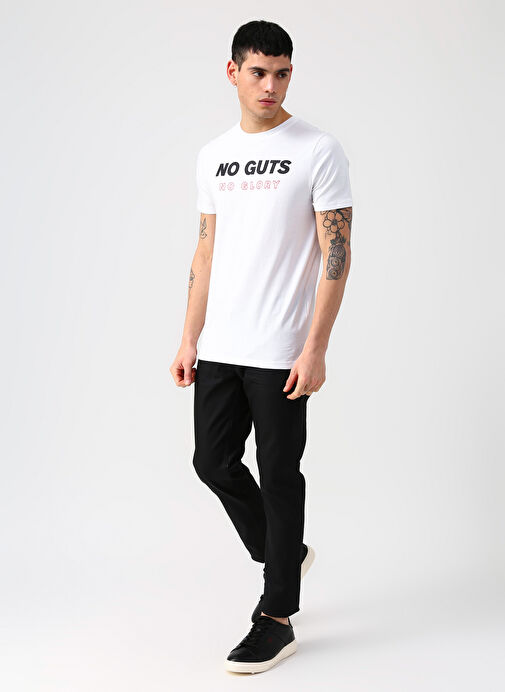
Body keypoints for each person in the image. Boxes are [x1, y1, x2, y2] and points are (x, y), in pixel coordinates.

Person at [170, 19, 353, 674]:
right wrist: (188, 337)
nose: (270, 85)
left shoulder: (318, 149)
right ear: (233, 72)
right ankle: (285, 552)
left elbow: (336, 253)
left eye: (281, 73)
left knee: (278, 475)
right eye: (258, 72)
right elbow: (205, 251)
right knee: (212, 461)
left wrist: (316, 347)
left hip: (281, 348)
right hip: (222, 344)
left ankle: (276, 617)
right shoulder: (213, 155)